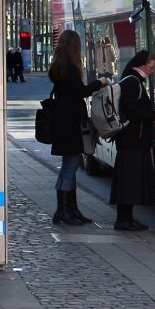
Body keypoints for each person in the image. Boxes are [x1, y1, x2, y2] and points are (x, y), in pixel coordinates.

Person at [48, 30, 110, 225]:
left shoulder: (58, 65)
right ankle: (64, 211)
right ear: (74, 46)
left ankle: (70, 209)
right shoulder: (68, 67)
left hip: (63, 123)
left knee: (70, 166)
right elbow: (81, 91)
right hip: (70, 124)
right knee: (70, 166)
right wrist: (99, 82)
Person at [110, 50, 155, 231]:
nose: (151, 71)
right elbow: (131, 107)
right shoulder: (132, 81)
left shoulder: (131, 79)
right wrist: (151, 114)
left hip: (131, 140)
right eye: (150, 67)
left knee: (129, 180)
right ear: (141, 65)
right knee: (129, 181)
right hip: (132, 139)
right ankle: (123, 219)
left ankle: (127, 218)